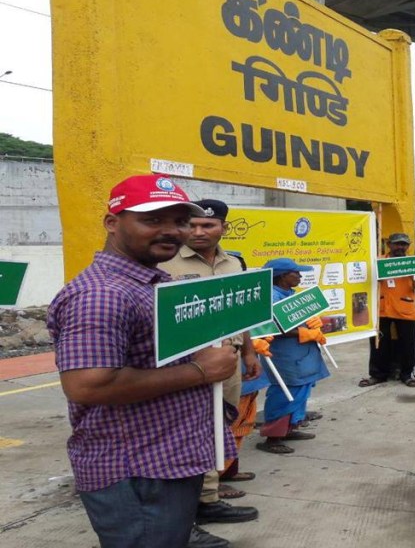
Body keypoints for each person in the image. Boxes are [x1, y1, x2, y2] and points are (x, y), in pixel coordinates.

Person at [47, 174, 239, 548]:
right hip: (138, 471)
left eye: (179, 221)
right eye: (152, 220)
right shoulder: (101, 295)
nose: (172, 231)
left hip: (166, 460)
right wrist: (200, 370)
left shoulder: (150, 283)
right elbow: (88, 384)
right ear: (112, 222)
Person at [158, 199, 260, 545]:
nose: (199, 232)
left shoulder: (236, 263)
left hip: (228, 360)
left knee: (219, 427)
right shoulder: (163, 262)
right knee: (186, 433)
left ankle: (208, 499)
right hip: (184, 365)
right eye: (193, 225)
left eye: (208, 226)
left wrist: (248, 351)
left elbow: (243, 311)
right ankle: (184, 515)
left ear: (223, 228)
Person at [256, 258, 330, 454]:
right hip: (284, 355)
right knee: (284, 392)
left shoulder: (289, 294)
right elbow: (272, 327)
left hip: (300, 354)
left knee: (300, 390)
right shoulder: (271, 296)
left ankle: (290, 428)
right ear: (281, 276)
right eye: (295, 273)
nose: (300, 276)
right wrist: (303, 332)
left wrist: (313, 324)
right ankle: (273, 437)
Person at [359, 233, 415, 388]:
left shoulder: (414, 263)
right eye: (397, 244)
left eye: (404, 244)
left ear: (408, 246)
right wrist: (376, 277)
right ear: (389, 245)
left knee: (408, 344)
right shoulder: (378, 261)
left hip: (406, 309)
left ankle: (409, 374)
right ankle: (377, 374)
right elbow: (365, 280)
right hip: (382, 309)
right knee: (378, 343)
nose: (400, 247)